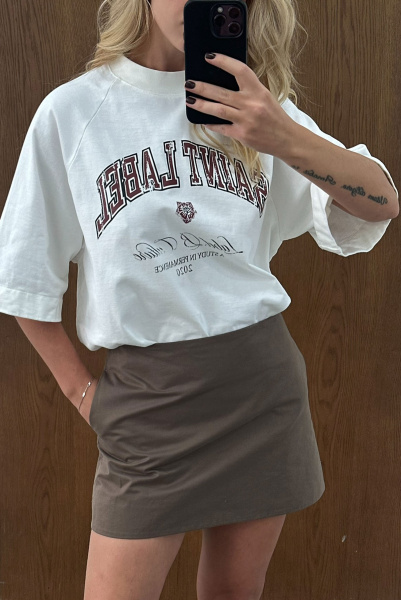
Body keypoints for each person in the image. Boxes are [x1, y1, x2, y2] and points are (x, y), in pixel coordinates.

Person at [0, 0, 398, 598]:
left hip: (260, 390)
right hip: (148, 404)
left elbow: (381, 202)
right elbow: (23, 278)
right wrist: (85, 395)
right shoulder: (73, 113)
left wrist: (282, 135)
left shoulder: (254, 107)